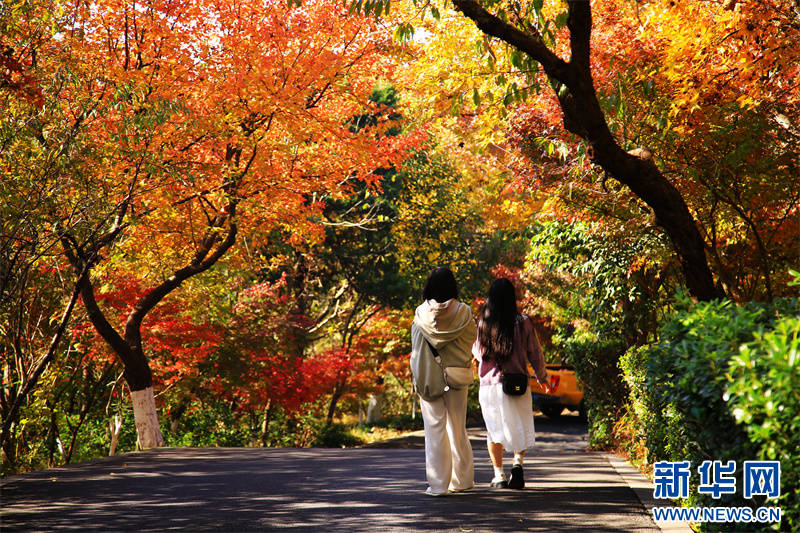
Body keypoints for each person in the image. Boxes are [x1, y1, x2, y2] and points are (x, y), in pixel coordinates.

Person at [472, 277, 550, 490]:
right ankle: (517, 464)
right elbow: (535, 352)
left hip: (490, 386)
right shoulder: (523, 321)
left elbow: (478, 353)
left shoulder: (483, 323)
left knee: (493, 430)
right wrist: (543, 377)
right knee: (520, 424)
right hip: (516, 384)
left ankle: (499, 476)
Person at [410, 267, 477, 496]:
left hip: (430, 379)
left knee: (435, 429)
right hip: (456, 376)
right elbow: (472, 338)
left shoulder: (421, 314)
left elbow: (416, 350)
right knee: (458, 428)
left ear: (428, 287)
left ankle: (438, 486)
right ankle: (463, 480)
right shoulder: (464, 312)